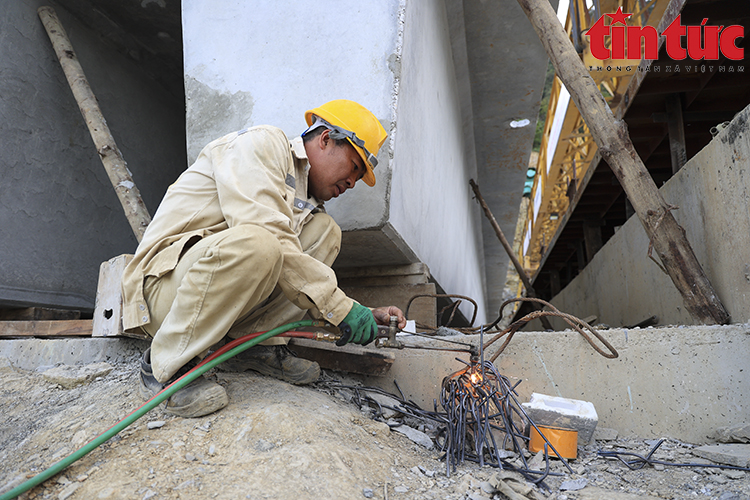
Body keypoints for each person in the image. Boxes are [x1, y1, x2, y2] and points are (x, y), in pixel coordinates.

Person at [121, 99, 407, 418]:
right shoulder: (261, 144)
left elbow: (296, 268)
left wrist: (362, 311)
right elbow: (266, 231)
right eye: (354, 166)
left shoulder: (307, 201)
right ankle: (165, 366)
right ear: (326, 139)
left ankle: (255, 346)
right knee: (260, 241)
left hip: (209, 296)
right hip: (163, 292)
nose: (352, 182)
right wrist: (340, 308)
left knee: (325, 231)